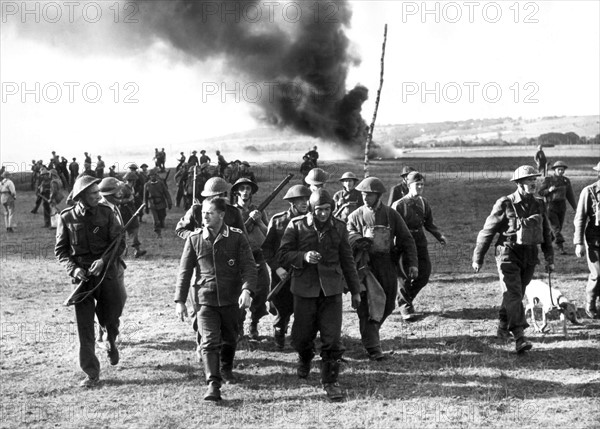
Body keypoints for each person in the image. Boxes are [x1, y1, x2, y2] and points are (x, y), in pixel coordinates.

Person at [277, 189, 361, 401]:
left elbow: (348, 260)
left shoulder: (340, 228)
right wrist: (303, 256)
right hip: (304, 289)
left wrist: (356, 291)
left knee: (332, 339)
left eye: (327, 210)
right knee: (301, 337)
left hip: (331, 290)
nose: (323, 214)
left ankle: (330, 382)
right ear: (312, 210)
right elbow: (283, 255)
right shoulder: (296, 225)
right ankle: (305, 358)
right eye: (319, 210)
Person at [174, 198, 257, 401]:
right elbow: (184, 272)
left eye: (209, 213)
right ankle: (213, 385)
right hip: (205, 299)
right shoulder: (194, 239)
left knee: (230, 338)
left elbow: (249, 267)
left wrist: (246, 291)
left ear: (222, 215)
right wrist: (180, 301)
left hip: (231, 298)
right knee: (209, 342)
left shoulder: (236, 238)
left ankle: (226, 368)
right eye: (203, 213)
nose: (205, 216)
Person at [472, 165, 554, 354]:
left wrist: (549, 257)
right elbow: (488, 231)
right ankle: (519, 336)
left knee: (515, 293)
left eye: (534, 180)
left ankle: (502, 326)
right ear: (519, 183)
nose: (533, 183)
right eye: (528, 180)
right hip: (507, 253)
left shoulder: (539, 203)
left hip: (530, 255)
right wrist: (478, 257)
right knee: (514, 293)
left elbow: (545, 231)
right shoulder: (505, 203)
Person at [55, 176, 126, 387]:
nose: (98, 196)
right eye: (94, 193)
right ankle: (92, 373)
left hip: (107, 276)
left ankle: (110, 339)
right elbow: (61, 251)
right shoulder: (67, 218)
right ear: (82, 196)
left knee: (111, 317)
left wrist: (104, 261)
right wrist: (74, 269)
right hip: (82, 281)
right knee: (84, 329)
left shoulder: (107, 213)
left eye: (98, 192)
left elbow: (119, 244)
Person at [347, 177, 418, 360]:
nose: (365, 198)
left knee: (387, 305)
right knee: (368, 306)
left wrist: (412, 264)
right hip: (365, 266)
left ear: (378, 195)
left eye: (369, 195)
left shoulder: (391, 214)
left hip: (387, 264)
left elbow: (407, 239)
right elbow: (346, 234)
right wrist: (357, 239)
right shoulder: (356, 215)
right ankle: (373, 348)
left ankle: (371, 333)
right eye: (363, 194)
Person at [392, 172, 447, 320]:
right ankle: (405, 308)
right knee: (403, 276)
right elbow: (391, 228)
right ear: (409, 185)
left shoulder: (424, 203)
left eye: (422, 184)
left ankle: (405, 299)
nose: (420, 187)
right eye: (417, 184)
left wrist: (439, 236)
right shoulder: (399, 205)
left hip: (419, 240)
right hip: (403, 241)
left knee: (424, 274)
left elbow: (429, 224)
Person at [262, 184, 311, 349]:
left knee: (304, 309)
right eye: (300, 199)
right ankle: (279, 336)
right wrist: (277, 268)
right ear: (292, 202)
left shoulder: (312, 221)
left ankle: (300, 340)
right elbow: (267, 249)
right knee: (282, 308)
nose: (305, 202)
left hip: (304, 272)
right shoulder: (278, 221)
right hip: (282, 273)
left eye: (306, 199)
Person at [231, 178, 270, 340]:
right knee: (239, 293)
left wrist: (258, 220)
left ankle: (254, 323)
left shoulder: (259, 211)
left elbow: (269, 233)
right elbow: (233, 234)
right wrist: (247, 222)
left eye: (248, 188)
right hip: (240, 258)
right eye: (242, 188)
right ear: (237, 192)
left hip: (258, 256)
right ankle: (239, 326)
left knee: (262, 291)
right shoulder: (232, 211)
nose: (246, 191)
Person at [175, 177, 246, 240]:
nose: (224, 197)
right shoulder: (197, 210)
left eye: (223, 194)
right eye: (219, 195)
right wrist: (196, 237)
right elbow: (180, 229)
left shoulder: (233, 212)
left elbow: (243, 235)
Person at [573, 162, 600, 319]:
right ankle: (590, 302)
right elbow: (580, 218)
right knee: (597, 274)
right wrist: (578, 243)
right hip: (595, 240)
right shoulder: (589, 191)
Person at [538, 161, 577, 254]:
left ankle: (547, 241)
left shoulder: (566, 181)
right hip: (550, 206)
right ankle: (561, 247)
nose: (561, 171)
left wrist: (576, 208)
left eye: (562, 170)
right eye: (559, 169)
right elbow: (540, 192)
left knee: (558, 228)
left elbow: (570, 195)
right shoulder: (548, 180)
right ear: (555, 170)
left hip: (562, 207)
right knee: (556, 227)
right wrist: (549, 190)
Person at [120, 176, 147, 258]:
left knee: (134, 228)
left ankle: (137, 250)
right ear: (132, 181)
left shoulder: (131, 188)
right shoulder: (124, 188)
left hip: (131, 211)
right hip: (124, 212)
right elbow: (119, 200)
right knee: (124, 231)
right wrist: (128, 200)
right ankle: (124, 250)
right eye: (134, 180)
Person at [143, 168, 172, 237]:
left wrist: (169, 202)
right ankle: (158, 233)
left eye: (153, 175)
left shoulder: (161, 183)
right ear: (149, 176)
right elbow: (145, 197)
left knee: (162, 216)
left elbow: (166, 193)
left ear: (156, 176)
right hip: (152, 204)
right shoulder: (147, 185)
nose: (152, 177)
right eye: (151, 175)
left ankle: (162, 223)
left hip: (161, 202)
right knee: (156, 220)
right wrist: (146, 207)